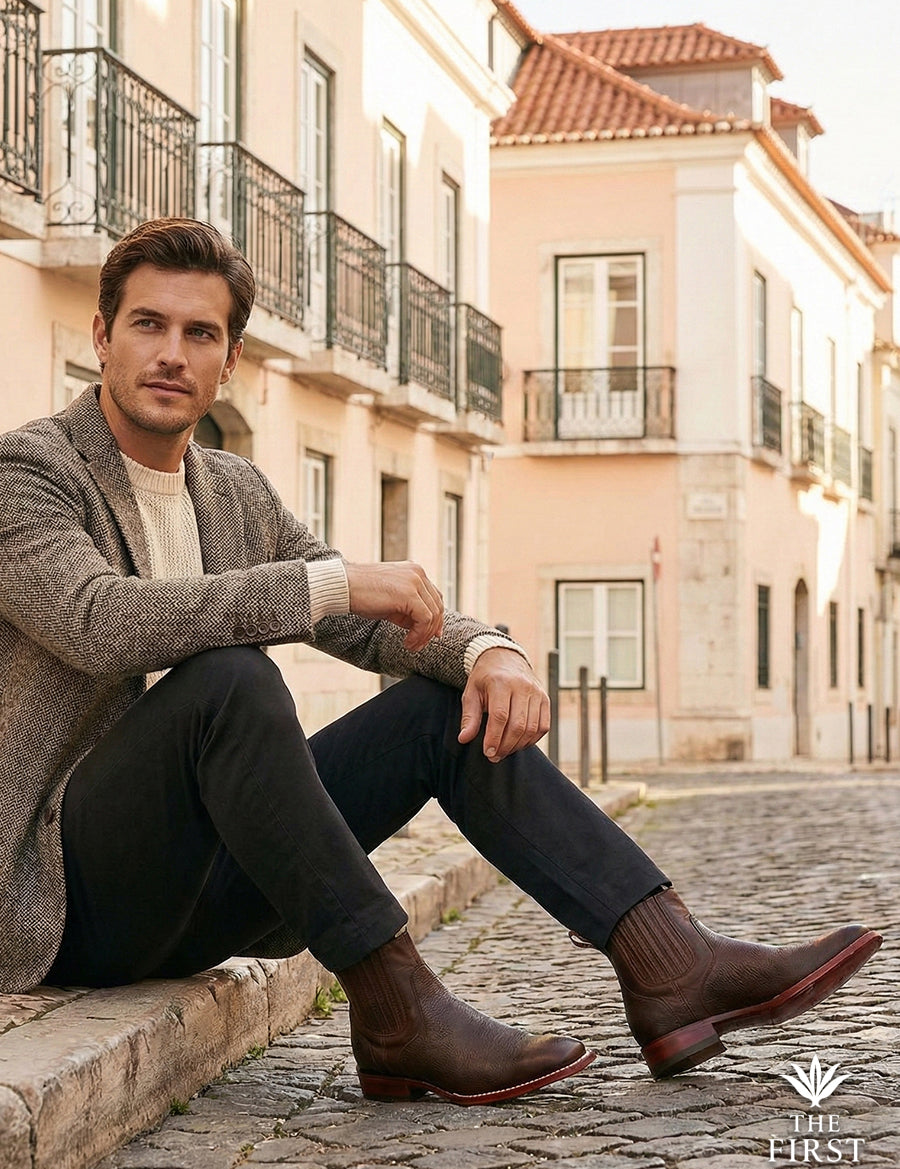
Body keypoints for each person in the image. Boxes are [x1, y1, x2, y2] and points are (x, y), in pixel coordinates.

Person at [0, 218, 880, 1106]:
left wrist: (487, 649)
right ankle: (396, 1005)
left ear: (228, 362)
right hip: (72, 903)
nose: (171, 354)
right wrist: (327, 584)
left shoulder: (234, 492)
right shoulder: (29, 473)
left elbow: (374, 623)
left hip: (218, 887)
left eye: (201, 334)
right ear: (102, 335)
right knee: (231, 680)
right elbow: (95, 621)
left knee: (436, 707)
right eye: (148, 325)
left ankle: (668, 961)